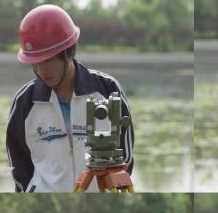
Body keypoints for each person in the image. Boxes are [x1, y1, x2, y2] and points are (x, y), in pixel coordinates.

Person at [7, 4, 134, 192]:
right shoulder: (24, 102)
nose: (41, 71)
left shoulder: (108, 89)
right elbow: (19, 166)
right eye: (35, 63)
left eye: (48, 60)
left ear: (70, 51)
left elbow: (126, 158)